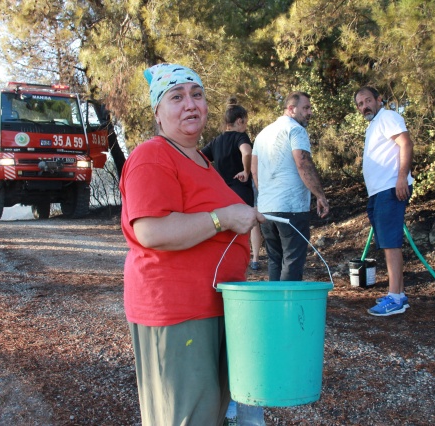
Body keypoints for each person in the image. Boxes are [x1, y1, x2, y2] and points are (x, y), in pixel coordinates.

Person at [119, 63, 264, 426]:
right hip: (177, 310)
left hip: (215, 305)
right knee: (186, 417)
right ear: (157, 111)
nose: (190, 104)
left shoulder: (201, 159)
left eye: (196, 95)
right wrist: (224, 218)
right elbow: (151, 230)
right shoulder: (152, 155)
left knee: (212, 414)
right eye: (176, 97)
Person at [251, 91, 330, 281]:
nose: (310, 112)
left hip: (267, 208)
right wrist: (320, 195)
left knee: (274, 260)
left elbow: (254, 170)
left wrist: (266, 195)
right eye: (306, 108)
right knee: (292, 260)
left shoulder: (262, 134)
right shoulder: (295, 130)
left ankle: (276, 308)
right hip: (291, 207)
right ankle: (289, 307)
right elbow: (302, 163)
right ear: (291, 109)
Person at [354, 86, 414, 316]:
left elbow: (406, 143)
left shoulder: (388, 116)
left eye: (368, 100)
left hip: (391, 187)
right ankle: (398, 292)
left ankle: (395, 298)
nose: (364, 106)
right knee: (387, 242)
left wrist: (401, 178)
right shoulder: (374, 125)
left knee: (390, 243)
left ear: (379, 100)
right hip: (379, 191)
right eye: (360, 104)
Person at [201, 97, 263, 271]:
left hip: (222, 192)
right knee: (252, 222)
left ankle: (225, 260)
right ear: (239, 121)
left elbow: (199, 157)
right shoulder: (240, 136)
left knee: (225, 225)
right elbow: (247, 151)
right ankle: (255, 259)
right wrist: (246, 171)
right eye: (245, 122)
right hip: (240, 189)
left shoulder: (216, 141)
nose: (246, 126)